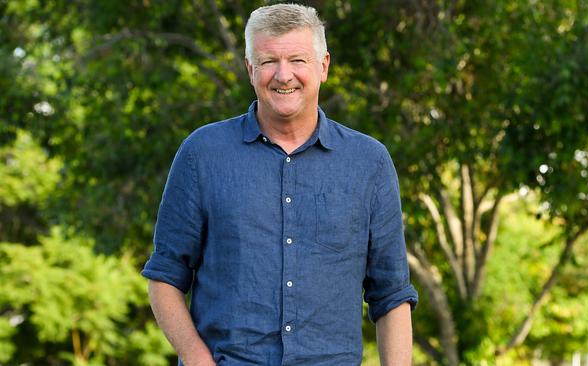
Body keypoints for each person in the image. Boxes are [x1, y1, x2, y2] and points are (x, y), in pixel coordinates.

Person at [142, 4, 418, 366]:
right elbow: (164, 277)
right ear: (250, 69)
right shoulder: (202, 154)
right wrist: (197, 359)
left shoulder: (370, 162)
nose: (283, 75)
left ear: (324, 66)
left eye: (298, 60)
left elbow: (392, 295)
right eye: (269, 61)